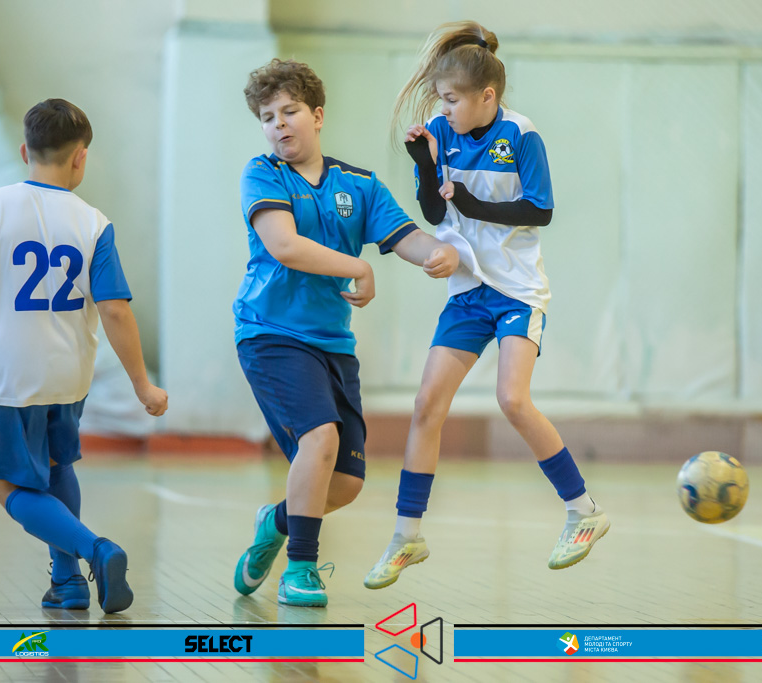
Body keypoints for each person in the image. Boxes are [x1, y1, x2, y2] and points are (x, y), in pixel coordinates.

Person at [364, 21, 609, 590]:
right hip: (468, 290)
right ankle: (406, 536)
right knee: (427, 404)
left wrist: (471, 203)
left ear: (487, 97)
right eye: (441, 100)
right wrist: (424, 164)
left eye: (451, 100)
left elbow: (540, 210)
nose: (444, 109)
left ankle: (583, 510)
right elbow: (434, 213)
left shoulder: (521, 135)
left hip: (517, 290)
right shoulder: (442, 132)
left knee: (512, 399)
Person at [232, 58, 459, 608]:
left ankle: (276, 521)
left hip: (332, 343)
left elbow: (405, 236)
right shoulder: (262, 174)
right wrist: (357, 266)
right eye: (267, 117)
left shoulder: (359, 184)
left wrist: (441, 253)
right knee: (320, 438)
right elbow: (284, 245)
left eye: (289, 112)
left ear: (317, 115)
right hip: (271, 334)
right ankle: (300, 570)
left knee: (347, 483)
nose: (278, 125)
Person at [0, 99, 168, 613]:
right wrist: (141, 384)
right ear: (80, 157)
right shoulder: (94, 223)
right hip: (70, 376)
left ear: (25, 151)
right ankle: (68, 583)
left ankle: (96, 549)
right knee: (57, 465)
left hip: (12, 377)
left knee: (6, 484)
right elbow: (115, 310)